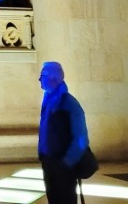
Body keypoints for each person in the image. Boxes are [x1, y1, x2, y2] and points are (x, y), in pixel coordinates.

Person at [38, 61, 89, 204]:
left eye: (42, 75)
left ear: (53, 78)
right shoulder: (49, 101)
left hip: (63, 166)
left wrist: (66, 163)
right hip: (50, 163)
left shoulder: (69, 103)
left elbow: (80, 138)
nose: (39, 79)